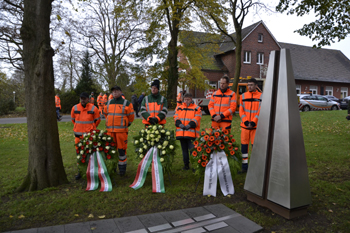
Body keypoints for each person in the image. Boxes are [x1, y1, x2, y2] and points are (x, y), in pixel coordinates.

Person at [104, 86, 134, 176]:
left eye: (116, 91)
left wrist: (125, 124)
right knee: (111, 150)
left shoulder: (127, 103)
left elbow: (131, 116)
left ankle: (122, 170)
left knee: (122, 151)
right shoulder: (108, 103)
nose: (115, 93)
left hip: (121, 132)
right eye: (113, 91)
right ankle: (112, 168)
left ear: (121, 92)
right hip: (110, 132)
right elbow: (105, 114)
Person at [71, 92, 101, 179]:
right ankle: (80, 171)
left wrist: (91, 128)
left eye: (84, 98)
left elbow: (97, 120)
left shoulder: (94, 108)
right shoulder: (75, 108)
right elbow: (73, 120)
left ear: (88, 99)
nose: (82, 100)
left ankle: (91, 172)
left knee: (90, 155)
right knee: (79, 155)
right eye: (81, 98)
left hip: (89, 137)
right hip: (78, 137)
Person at [239, 78, 262, 173]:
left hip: (255, 127)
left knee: (255, 148)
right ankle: (244, 167)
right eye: (248, 85)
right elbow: (241, 110)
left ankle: (255, 167)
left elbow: (260, 111)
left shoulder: (261, 96)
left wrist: (253, 122)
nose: (249, 87)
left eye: (251, 85)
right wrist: (245, 121)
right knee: (244, 148)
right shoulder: (243, 96)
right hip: (245, 127)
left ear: (256, 85)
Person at [174, 93, 201, 170]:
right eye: (185, 99)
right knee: (184, 150)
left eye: (188, 99)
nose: (186, 101)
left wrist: (190, 125)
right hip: (181, 133)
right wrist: (179, 124)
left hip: (191, 133)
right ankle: (186, 165)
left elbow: (197, 118)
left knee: (192, 150)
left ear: (191, 99)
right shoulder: (179, 108)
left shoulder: (197, 108)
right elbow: (176, 116)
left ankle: (195, 166)